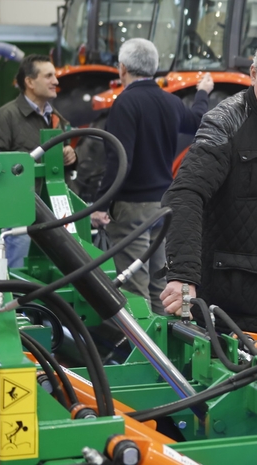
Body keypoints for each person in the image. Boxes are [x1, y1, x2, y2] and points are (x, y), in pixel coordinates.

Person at [159, 29, 257, 339]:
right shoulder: (226, 122)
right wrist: (183, 274)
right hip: (239, 295)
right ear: (254, 73)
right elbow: (186, 193)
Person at [89, 39, 214, 313]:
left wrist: (99, 205)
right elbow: (197, 120)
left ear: (122, 69)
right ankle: (166, 350)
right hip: (164, 207)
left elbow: (120, 160)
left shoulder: (125, 103)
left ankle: (143, 351)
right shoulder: (169, 101)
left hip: (132, 209)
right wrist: (202, 92)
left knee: (134, 288)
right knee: (161, 288)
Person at [0, 54, 77, 269]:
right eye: (48, 76)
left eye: (54, 75)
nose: (56, 81)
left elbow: (61, 163)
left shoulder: (56, 118)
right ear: (29, 82)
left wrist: (71, 157)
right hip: (17, 210)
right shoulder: (5, 117)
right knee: (16, 269)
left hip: (53, 208)